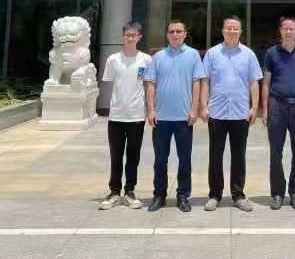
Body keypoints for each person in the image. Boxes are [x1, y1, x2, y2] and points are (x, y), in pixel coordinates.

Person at [199, 16, 262, 212]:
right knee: (215, 155)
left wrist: (254, 108)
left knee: (239, 156)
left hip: (240, 113)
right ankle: (214, 195)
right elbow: (205, 81)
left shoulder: (249, 54)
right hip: (217, 112)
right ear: (223, 30)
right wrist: (203, 106)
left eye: (235, 29)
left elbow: (254, 82)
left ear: (241, 31)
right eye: (229, 28)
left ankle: (238, 195)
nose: (232, 31)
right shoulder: (212, 54)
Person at [144, 20, 206, 212]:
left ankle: (183, 196)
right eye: (172, 31)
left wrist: (194, 109)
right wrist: (151, 110)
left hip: (184, 118)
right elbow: (150, 84)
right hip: (161, 118)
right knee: (160, 160)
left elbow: (197, 83)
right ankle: (159, 195)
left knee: (184, 159)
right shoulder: (158, 57)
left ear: (185, 33)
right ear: (167, 35)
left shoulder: (193, 55)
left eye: (179, 31)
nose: (175, 34)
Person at [261, 16, 295, 211]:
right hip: (277, 105)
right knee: (275, 151)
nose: (288, 31)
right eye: (285, 28)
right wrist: (265, 109)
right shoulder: (271, 53)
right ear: (280, 30)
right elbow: (266, 83)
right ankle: (277, 193)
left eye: (291, 28)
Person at [98, 21, 152, 210]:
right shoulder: (113, 59)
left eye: (133, 35)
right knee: (116, 155)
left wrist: (151, 109)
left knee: (133, 156)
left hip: (136, 116)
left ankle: (129, 191)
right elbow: (109, 84)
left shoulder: (146, 60)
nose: (130, 38)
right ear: (123, 37)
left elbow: (148, 85)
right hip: (116, 116)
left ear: (139, 37)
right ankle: (114, 192)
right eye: (127, 35)